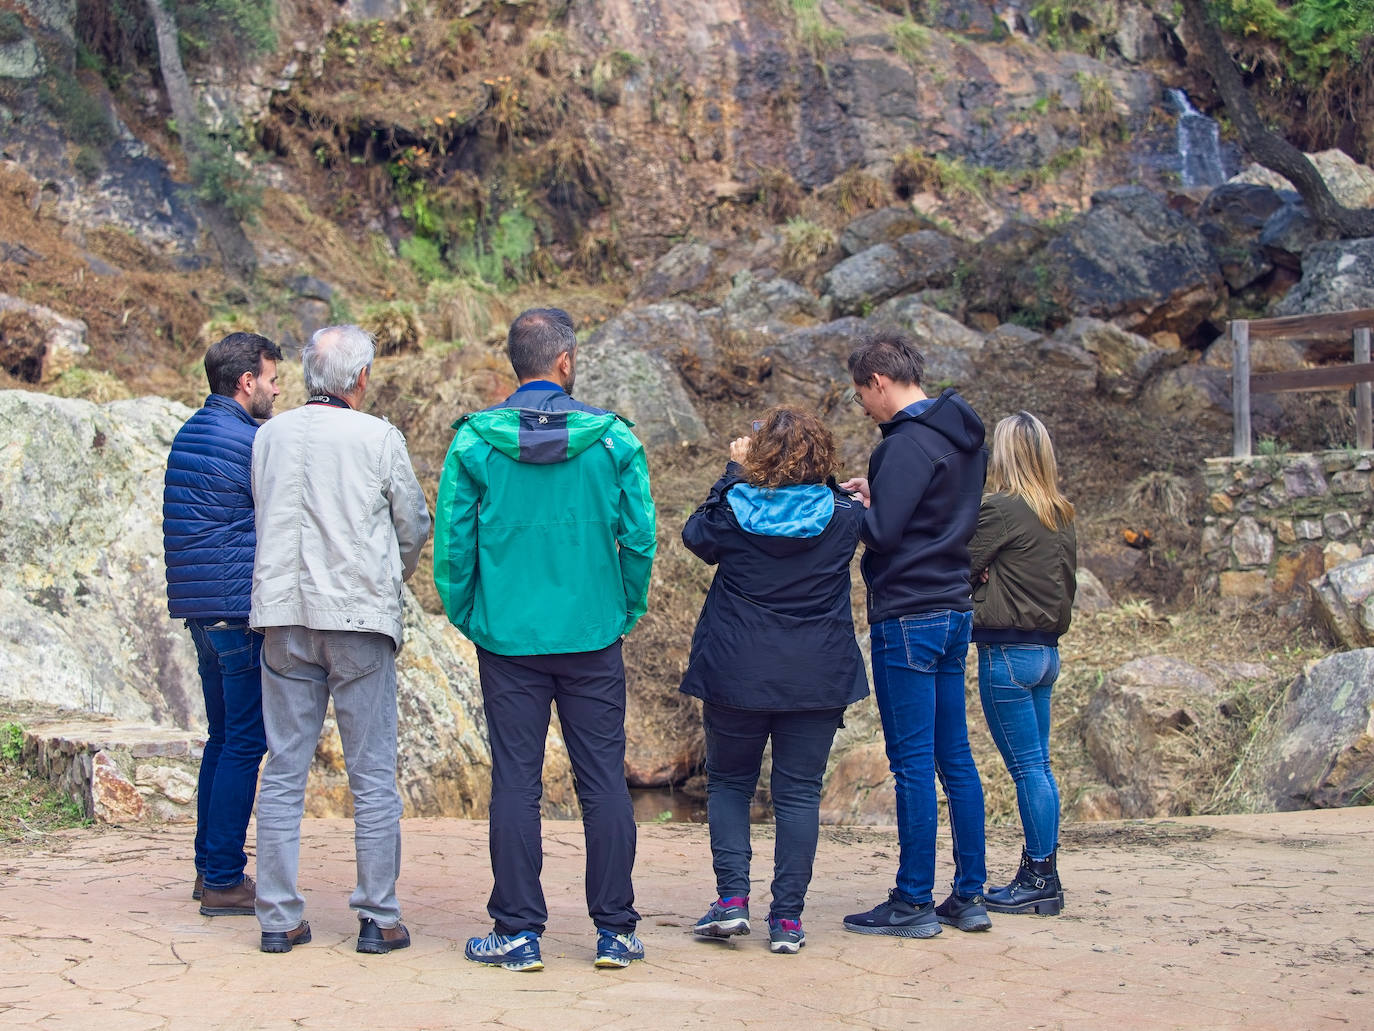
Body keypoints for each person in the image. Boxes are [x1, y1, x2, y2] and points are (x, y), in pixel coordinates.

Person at [433, 307, 656, 972]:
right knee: (602, 782)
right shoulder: (613, 441)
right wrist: (624, 606)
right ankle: (615, 929)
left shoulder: (475, 442)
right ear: (565, 363)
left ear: (516, 363)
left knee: (516, 784)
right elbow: (640, 538)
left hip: (508, 638)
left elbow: (453, 547)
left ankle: (518, 929)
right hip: (592, 633)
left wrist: (474, 613)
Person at [250, 324, 431, 956]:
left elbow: (260, 508)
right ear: (360, 379)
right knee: (372, 774)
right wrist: (389, 578)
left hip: (282, 617)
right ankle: (378, 918)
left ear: (306, 376)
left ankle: (277, 917)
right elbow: (412, 522)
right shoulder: (378, 437)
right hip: (357, 620)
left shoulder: (268, 436)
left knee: (282, 770)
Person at [679, 406, 868, 956]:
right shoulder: (843, 516)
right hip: (816, 675)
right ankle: (787, 920)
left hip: (735, 672)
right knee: (798, 794)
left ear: (758, 458)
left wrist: (732, 472)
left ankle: (732, 902)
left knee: (731, 785)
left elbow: (695, 535)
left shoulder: (731, 512)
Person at [838, 330, 991, 938]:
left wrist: (850, 506)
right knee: (956, 758)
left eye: (860, 397)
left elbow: (883, 534)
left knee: (911, 765)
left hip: (907, 612)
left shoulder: (902, 444)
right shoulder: (963, 436)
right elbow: (933, 511)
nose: (864, 409)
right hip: (953, 608)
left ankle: (912, 901)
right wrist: (879, 498)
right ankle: (970, 895)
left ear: (879, 382)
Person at [163, 331, 282, 917]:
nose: (277, 387)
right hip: (236, 612)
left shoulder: (193, 430)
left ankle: (208, 868)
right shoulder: (249, 441)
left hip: (200, 608)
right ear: (245, 382)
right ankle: (225, 878)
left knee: (222, 738)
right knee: (246, 742)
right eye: (270, 377)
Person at [969, 412, 1076, 916]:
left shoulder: (1001, 510)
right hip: (1047, 654)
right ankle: (1043, 873)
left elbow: (956, 566)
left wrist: (984, 579)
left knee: (1029, 768)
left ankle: (1039, 876)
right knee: (1040, 767)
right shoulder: (1060, 512)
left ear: (1005, 453)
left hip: (1008, 654)